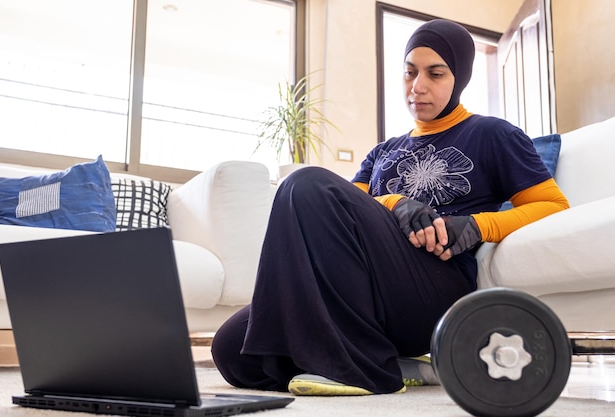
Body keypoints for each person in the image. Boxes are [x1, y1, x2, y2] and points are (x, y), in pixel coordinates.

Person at [211, 19, 569, 396]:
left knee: (302, 182)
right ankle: (388, 358)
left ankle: (360, 369)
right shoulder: (381, 153)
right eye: (410, 73)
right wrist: (395, 203)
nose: (418, 87)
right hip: (365, 291)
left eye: (435, 73)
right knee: (235, 349)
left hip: (433, 291)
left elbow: (553, 205)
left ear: (459, 77)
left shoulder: (493, 134)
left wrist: (477, 227)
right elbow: (334, 214)